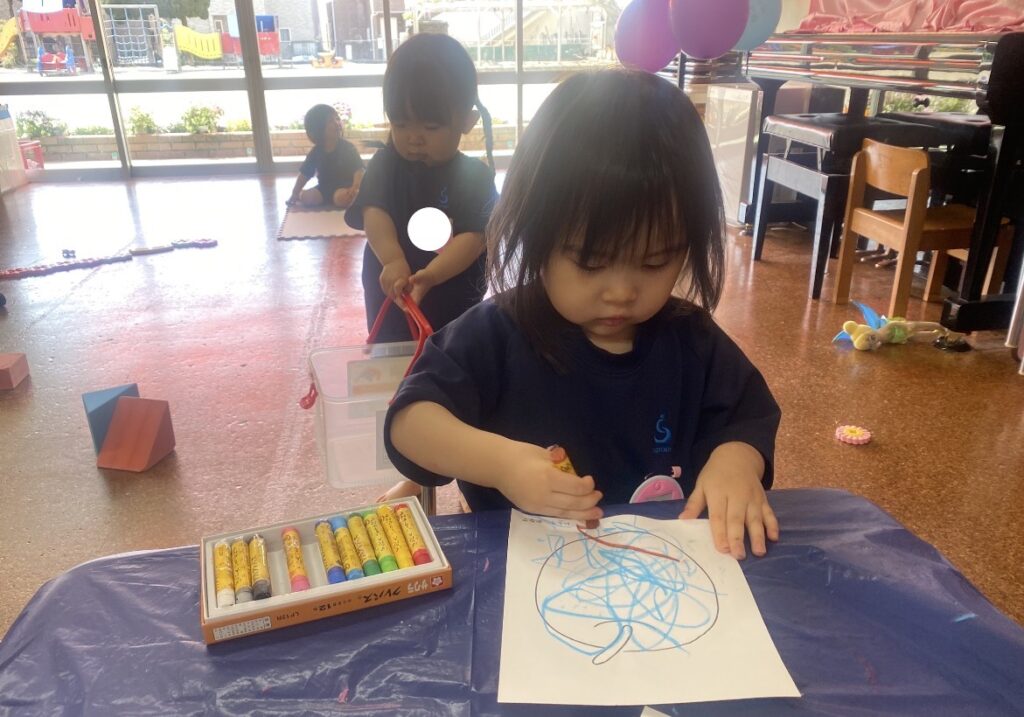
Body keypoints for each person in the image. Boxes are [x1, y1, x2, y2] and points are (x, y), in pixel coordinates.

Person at [384, 69, 781, 560]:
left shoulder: (692, 341)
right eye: (591, 263)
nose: (621, 292)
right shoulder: (495, 335)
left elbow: (746, 417)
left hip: (664, 567)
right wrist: (502, 464)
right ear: (537, 235)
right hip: (524, 570)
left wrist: (735, 463)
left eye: (654, 262)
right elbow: (410, 423)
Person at [344, 32, 497, 344]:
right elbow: (374, 213)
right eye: (400, 124)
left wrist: (432, 274)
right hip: (391, 289)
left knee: (453, 351)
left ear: (467, 121)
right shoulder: (385, 164)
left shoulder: (475, 177)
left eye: (430, 127)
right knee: (393, 353)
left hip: (452, 291)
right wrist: (392, 260)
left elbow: (475, 238)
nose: (413, 137)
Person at [288, 104, 364, 208]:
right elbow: (305, 174)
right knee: (308, 198)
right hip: (323, 189)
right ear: (318, 129)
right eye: (330, 121)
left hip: (344, 188)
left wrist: (355, 187)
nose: (337, 123)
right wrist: (295, 193)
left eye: (337, 119)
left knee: (341, 198)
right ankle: (305, 195)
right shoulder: (316, 152)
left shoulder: (348, 148)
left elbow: (359, 169)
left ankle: (350, 198)